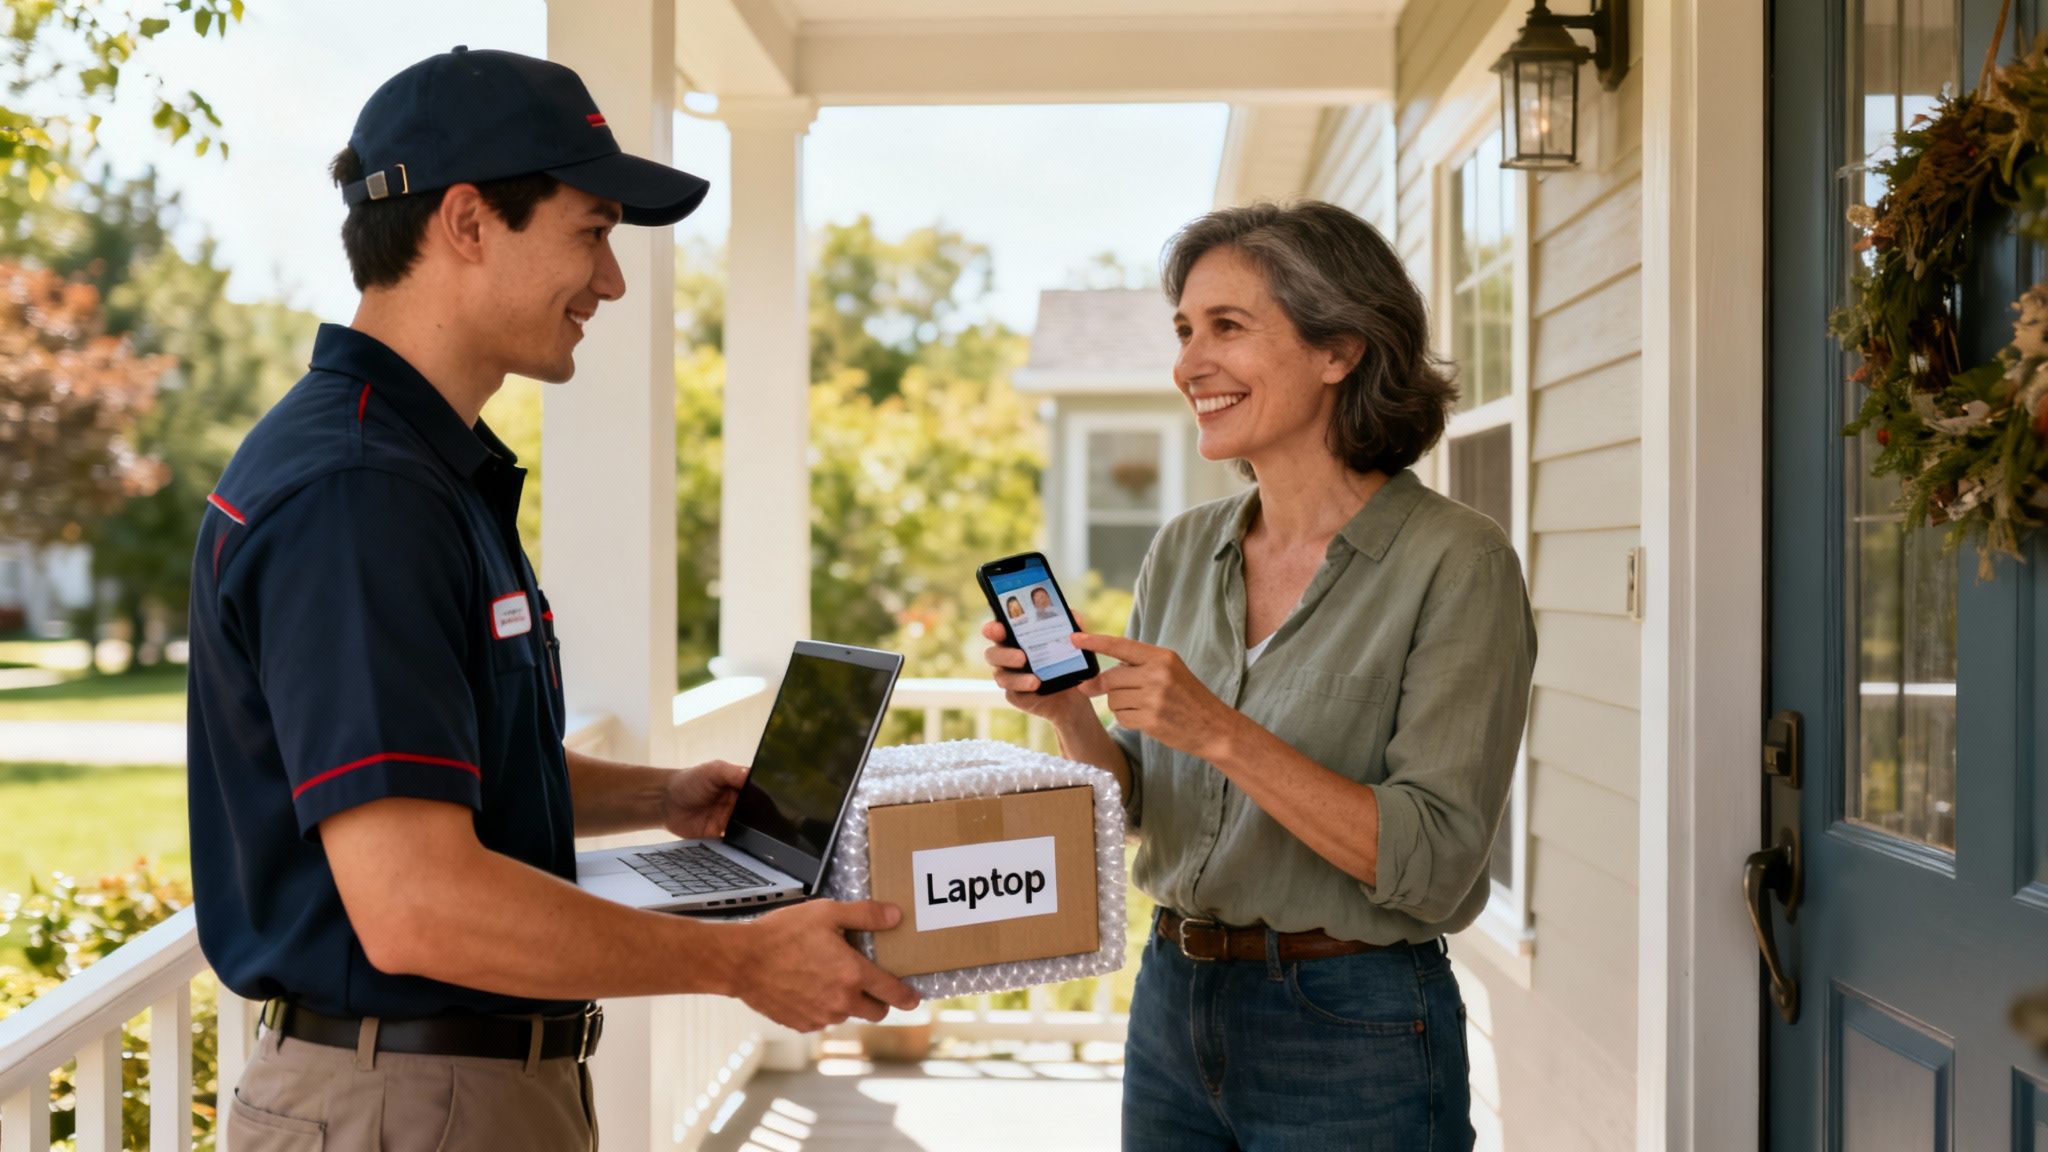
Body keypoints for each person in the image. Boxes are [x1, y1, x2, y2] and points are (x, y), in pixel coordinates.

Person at [186, 48, 917, 1152]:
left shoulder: (416, 470)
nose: (612, 282)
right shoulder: (362, 494)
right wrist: (739, 963)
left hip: (442, 1093)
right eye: (591, 230)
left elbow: (434, 762)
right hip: (412, 1104)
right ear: (469, 223)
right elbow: (417, 902)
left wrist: (659, 794)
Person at [981, 200, 1533, 1151]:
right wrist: (1072, 716)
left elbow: (1436, 863)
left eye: (1228, 328)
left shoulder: (1456, 562)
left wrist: (1220, 730)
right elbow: (1154, 806)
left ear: (1340, 351)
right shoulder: (1184, 549)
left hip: (1352, 1026)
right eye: (1186, 331)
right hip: (1173, 998)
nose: (1190, 363)